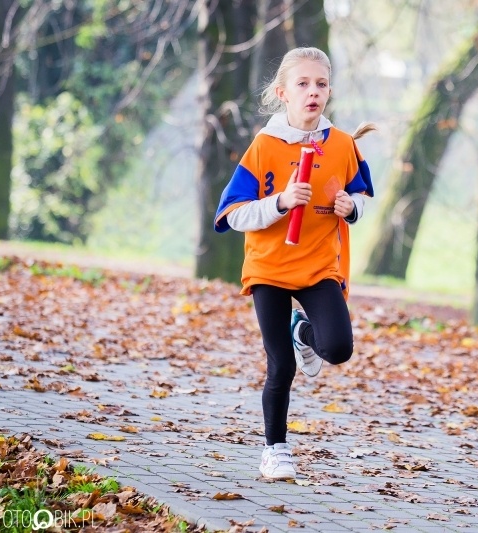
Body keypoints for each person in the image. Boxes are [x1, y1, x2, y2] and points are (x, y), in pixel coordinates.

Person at [213, 47, 374, 481]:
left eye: (321, 84)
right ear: (282, 93)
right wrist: (280, 203)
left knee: (338, 349)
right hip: (269, 268)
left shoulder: (341, 145)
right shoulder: (263, 147)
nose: (313, 92)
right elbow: (232, 215)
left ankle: (303, 328)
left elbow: (361, 196)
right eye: (303, 84)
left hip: (319, 266)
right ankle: (276, 450)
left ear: (329, 91)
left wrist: (350, 208)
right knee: (280, 365)